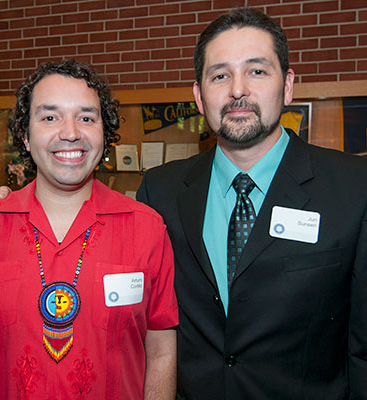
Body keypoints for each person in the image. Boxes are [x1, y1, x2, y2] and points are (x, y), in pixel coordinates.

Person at [136, 7, 367, 400]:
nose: (237, 89)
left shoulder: (353, 188)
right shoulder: (161, 191)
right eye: (220, 75)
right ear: (198, 95)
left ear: (288, 86)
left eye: (257, 71)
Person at [0, 59, 178, 399]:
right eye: (50, 117)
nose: (70, 132)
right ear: (25, 136)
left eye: (86, 118)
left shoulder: (147, 228)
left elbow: (161, 347)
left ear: (104, 133)